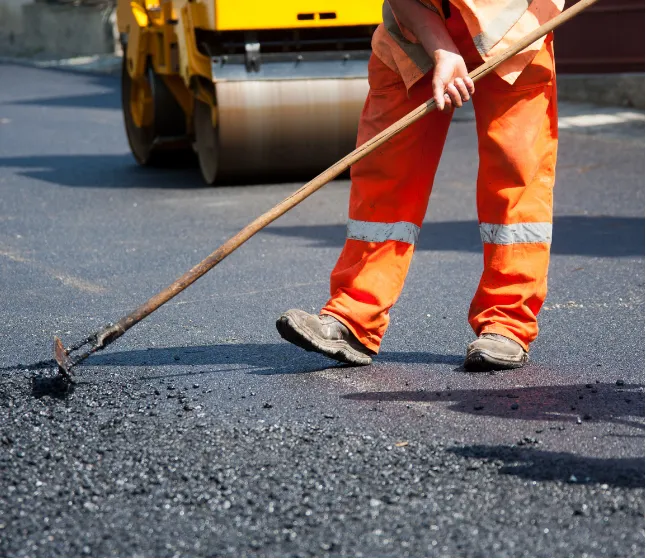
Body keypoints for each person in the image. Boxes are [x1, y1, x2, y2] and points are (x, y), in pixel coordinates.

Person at [277, 0, 563, 371]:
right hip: (413, 33)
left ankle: (507, 323)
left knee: (516, 174)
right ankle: (354, 317)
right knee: (385, 172)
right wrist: (441, 49)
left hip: (515, 30)